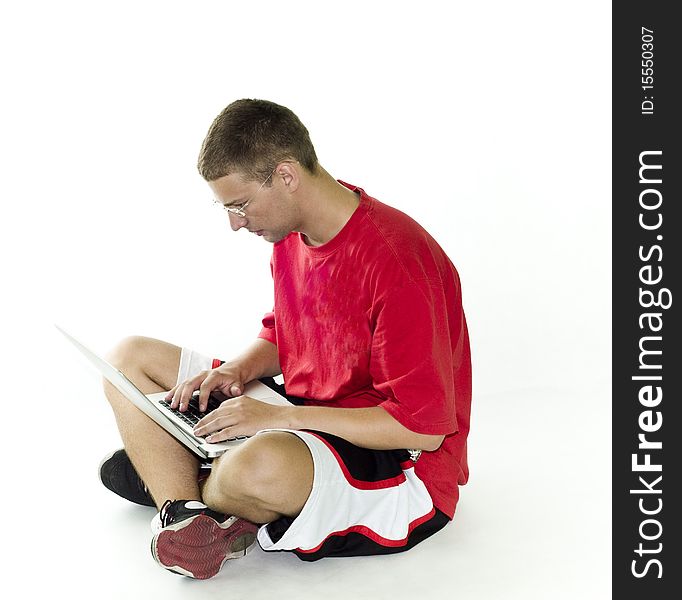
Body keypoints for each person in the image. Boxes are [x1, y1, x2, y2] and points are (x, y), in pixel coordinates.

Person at [100, 98, 472, 580]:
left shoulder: (396, 261)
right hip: (307, 416)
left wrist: (275, 419)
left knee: (252, 469)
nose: (235, 223)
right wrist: (233, 372)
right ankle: (188, 508)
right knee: (128, 358)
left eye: (240, 205)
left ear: (286, 175)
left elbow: (424, 429)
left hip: (398, 463)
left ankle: (183, 476)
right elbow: (287, 336)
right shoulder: (290, 236)